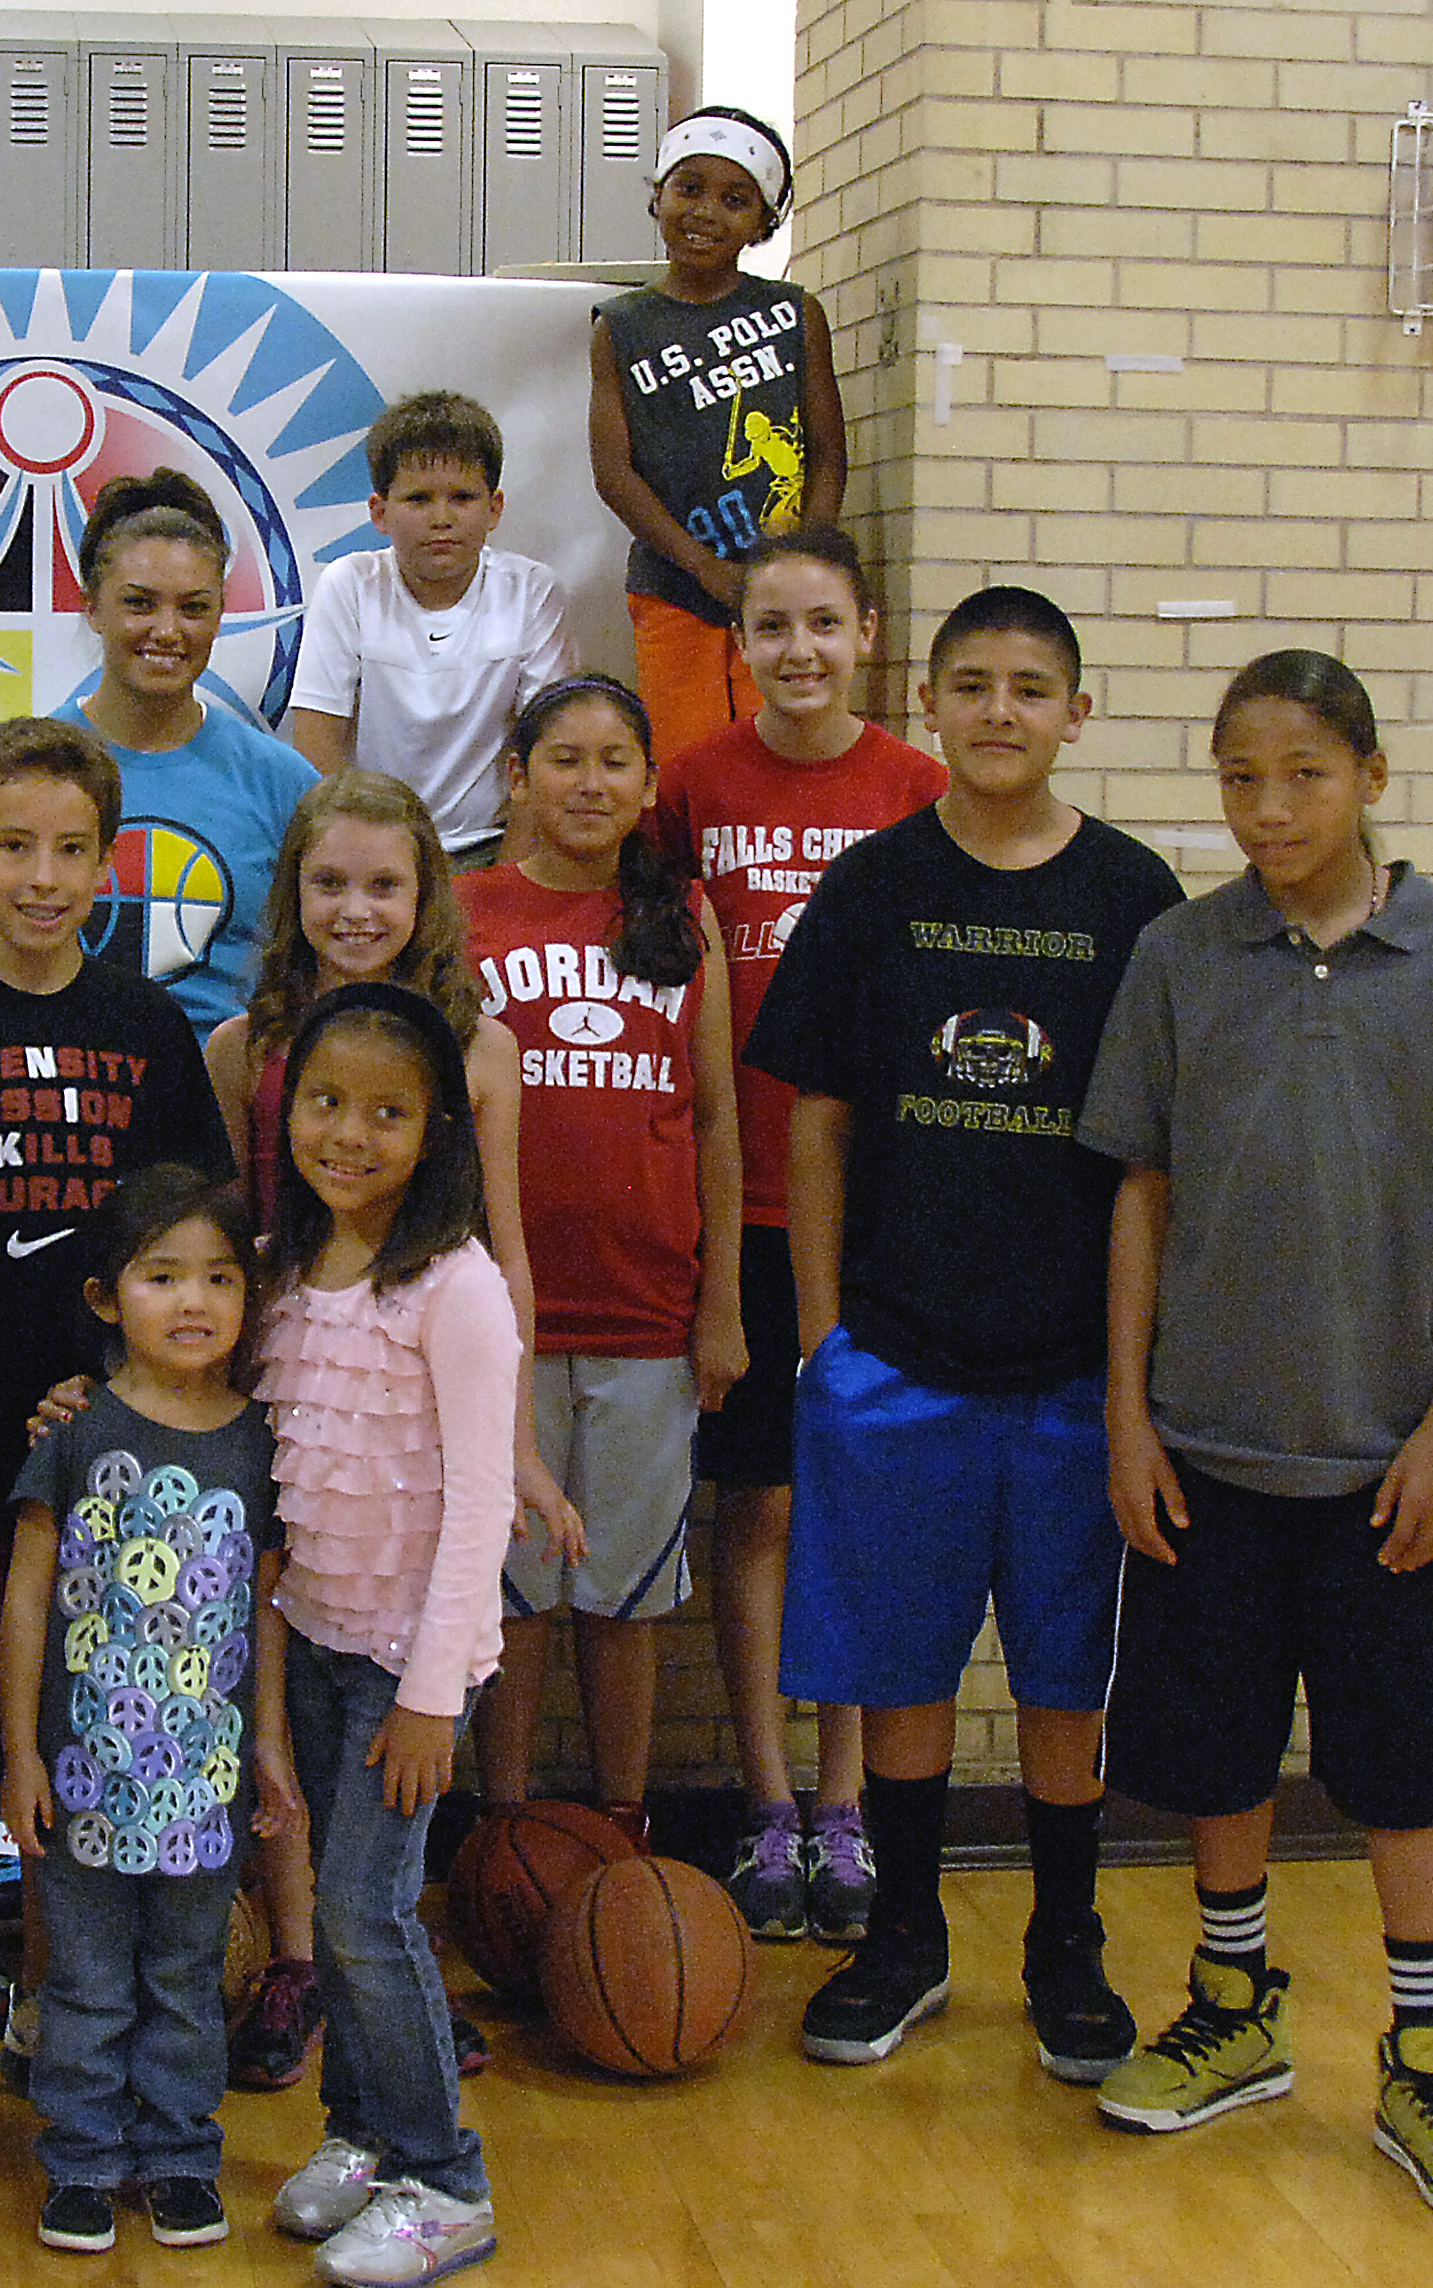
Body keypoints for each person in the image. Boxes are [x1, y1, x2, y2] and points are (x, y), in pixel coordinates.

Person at [1080, 652, 1433, 2221]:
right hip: (1208, 1446)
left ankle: (1430, 2059)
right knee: (1216, 1750)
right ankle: (1236, 2008)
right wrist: (1130, 1414)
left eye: (1302, 776)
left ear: (1371, 777)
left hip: (1385, 1465)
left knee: (1405, 1768)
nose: (1268, 808)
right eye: (1239, 778)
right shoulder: (1178, 953)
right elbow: (1137, 1194)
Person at [743, 586, 1181, 2078]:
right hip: (898, 1361)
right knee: (907, 1670)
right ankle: (907, 1939)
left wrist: (1134, 1378)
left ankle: (1067, 1944)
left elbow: (1152, 1165)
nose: (1002, 710)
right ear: (928, 703)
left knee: (1067, 1681)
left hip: (1069, 1376)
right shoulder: (871, 888)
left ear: (1077, 711)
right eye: (975, 683)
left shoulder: (1134, 898)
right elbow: (819, 1121)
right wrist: (821, 1340)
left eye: (1033, 686)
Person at [0, 717, 237, 2163]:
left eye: (73, 849)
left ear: (108, 860)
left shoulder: (146, 1030)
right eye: (15, 846)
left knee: (104, 1746)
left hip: (113, 1458)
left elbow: (193, 1250)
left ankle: (79, 2013)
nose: (43, 875)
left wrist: (132, 1405)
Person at [203, 769, 572, 2091]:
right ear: (292, 896)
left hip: (424, 1414)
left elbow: (508, 1257)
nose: (355, 909)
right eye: (329, 882)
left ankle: (381, 2013)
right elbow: (223, 1256)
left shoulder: (479, 1051)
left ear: (426, 900)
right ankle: (311, 1969)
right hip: (299, 1402)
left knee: (377, 1812)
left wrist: (521, 1444)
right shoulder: (241, 1049)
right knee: (288, 1751)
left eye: (383, 885)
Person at [649, 524, 944, 1943]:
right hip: (738, 1206)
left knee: (863, 1511)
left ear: (867, 635)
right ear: (739, 645)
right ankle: (768, 1807)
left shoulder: (919, 788)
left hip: (882, 1211)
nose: (800, 650)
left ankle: (851, 1809)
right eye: (773, 626)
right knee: (758, 1504)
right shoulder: (691, 786)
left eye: (824, 623)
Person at [258, 982, 518, 2288]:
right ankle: (359, 2133)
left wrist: (429, 1694)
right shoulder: (291, 1266)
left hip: (408, 1666)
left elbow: (482, 1501)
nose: (348, 1134)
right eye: (325, 1102)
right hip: (313, 1640)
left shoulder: (456, 1287)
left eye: (387, 1113)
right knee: (344, 1912)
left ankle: (444, 2178)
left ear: (438, 1131)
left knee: (363, 1910)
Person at [460, 676, 744, 1833]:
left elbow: (717, 1117)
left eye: (615, 760)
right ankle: (509, 1837)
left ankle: (621, 1831)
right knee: (513, 1601)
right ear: (516, 776)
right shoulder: (466, 911)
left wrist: (719, 1302)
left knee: (625, 1600)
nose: (590, 782)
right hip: (499, 1324)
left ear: (645, 782)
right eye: (562, 759)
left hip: (646, 1317)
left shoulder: (680, 916)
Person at [0, 1165, 299, 2254]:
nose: (193, 1301)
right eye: (162, 1275)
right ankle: (78, 2161)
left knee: (184, 1978)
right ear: (103, 1296)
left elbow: (267, 1608)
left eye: (220, 1277)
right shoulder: (74, 1430)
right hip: (82, 1771)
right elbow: (27, 1595)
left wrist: (268, 1744)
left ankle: (178, 2154)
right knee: (82, 1978)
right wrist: (18, 1756)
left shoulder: (259, 1443)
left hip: (202, 1780)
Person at [0, 468, 318, 1035]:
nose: (167, 629)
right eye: (139, 604)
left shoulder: (284, 784)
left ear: (221, 614)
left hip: (220, 1101)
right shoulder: (7, 774)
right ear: (92, 607)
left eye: (194, 608)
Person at [588, 108, 845, 764]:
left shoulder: (793, 314)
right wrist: (705, 568)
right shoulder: (621, 325)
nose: (706, 211)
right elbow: (615, 474)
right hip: (674, 585)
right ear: (658, 197)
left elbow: (828, 452)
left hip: (782, 590)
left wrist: (804, 569)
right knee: (684, 764)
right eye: (690, 188)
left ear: (764, 222)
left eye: (735, 200)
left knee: (789, 749)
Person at [284, 390, 575, 859]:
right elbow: (316, 749)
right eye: (418, 499)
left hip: (497, 845)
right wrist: (364, 857)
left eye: (462, 498)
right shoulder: (350, 584)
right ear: (379, 512)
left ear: (494, 508)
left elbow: (548, 752)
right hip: (374, 847)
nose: (442, 519)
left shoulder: (534, 591)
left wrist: (505, 884)